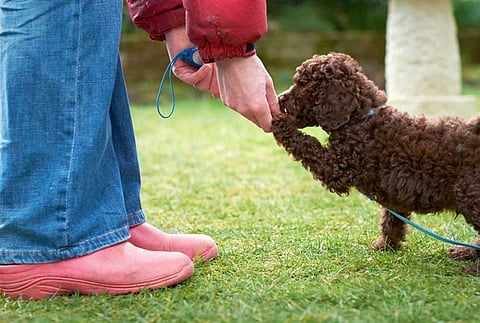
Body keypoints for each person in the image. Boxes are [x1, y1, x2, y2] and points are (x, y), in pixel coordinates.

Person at [0, 0, 279, 300]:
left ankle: (105, 221)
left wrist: (175, 20)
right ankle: (52, 236)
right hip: (54, 232)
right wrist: (230, 48)